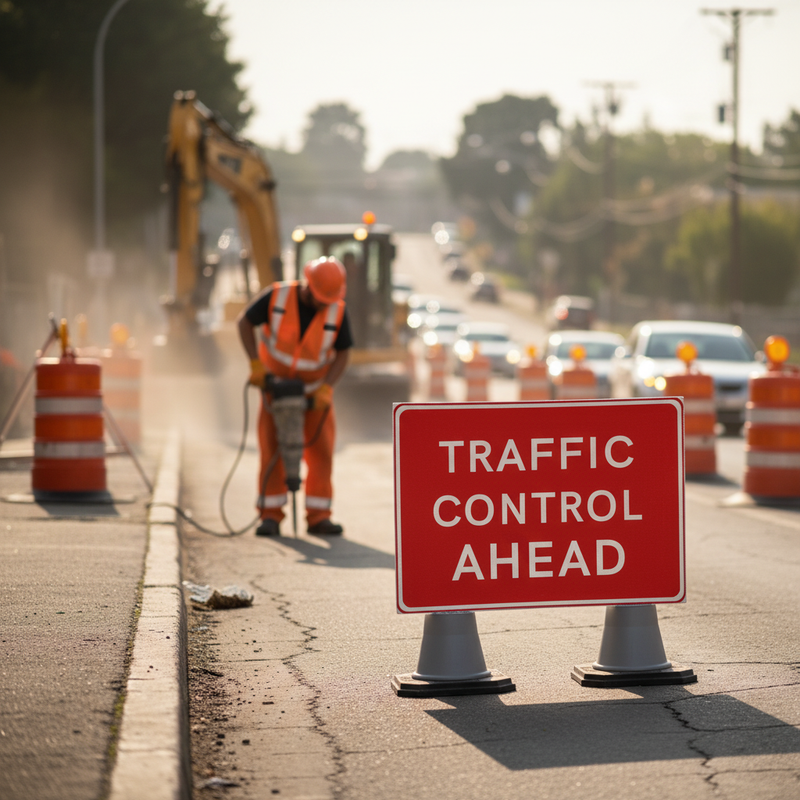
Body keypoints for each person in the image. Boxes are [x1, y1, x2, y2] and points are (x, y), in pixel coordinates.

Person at [237, 256, 352, 536]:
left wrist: (327, 388)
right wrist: (256, 365)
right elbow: (244, 323)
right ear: (307, 287)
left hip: (314, 393)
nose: (326, 305)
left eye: (329, 300)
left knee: (321, 452)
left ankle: (319, 516)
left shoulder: (337, 310)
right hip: (275, 390)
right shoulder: (277, 296)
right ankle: (270, 515)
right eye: (320, 299)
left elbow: (343, 352)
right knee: (271, 449)